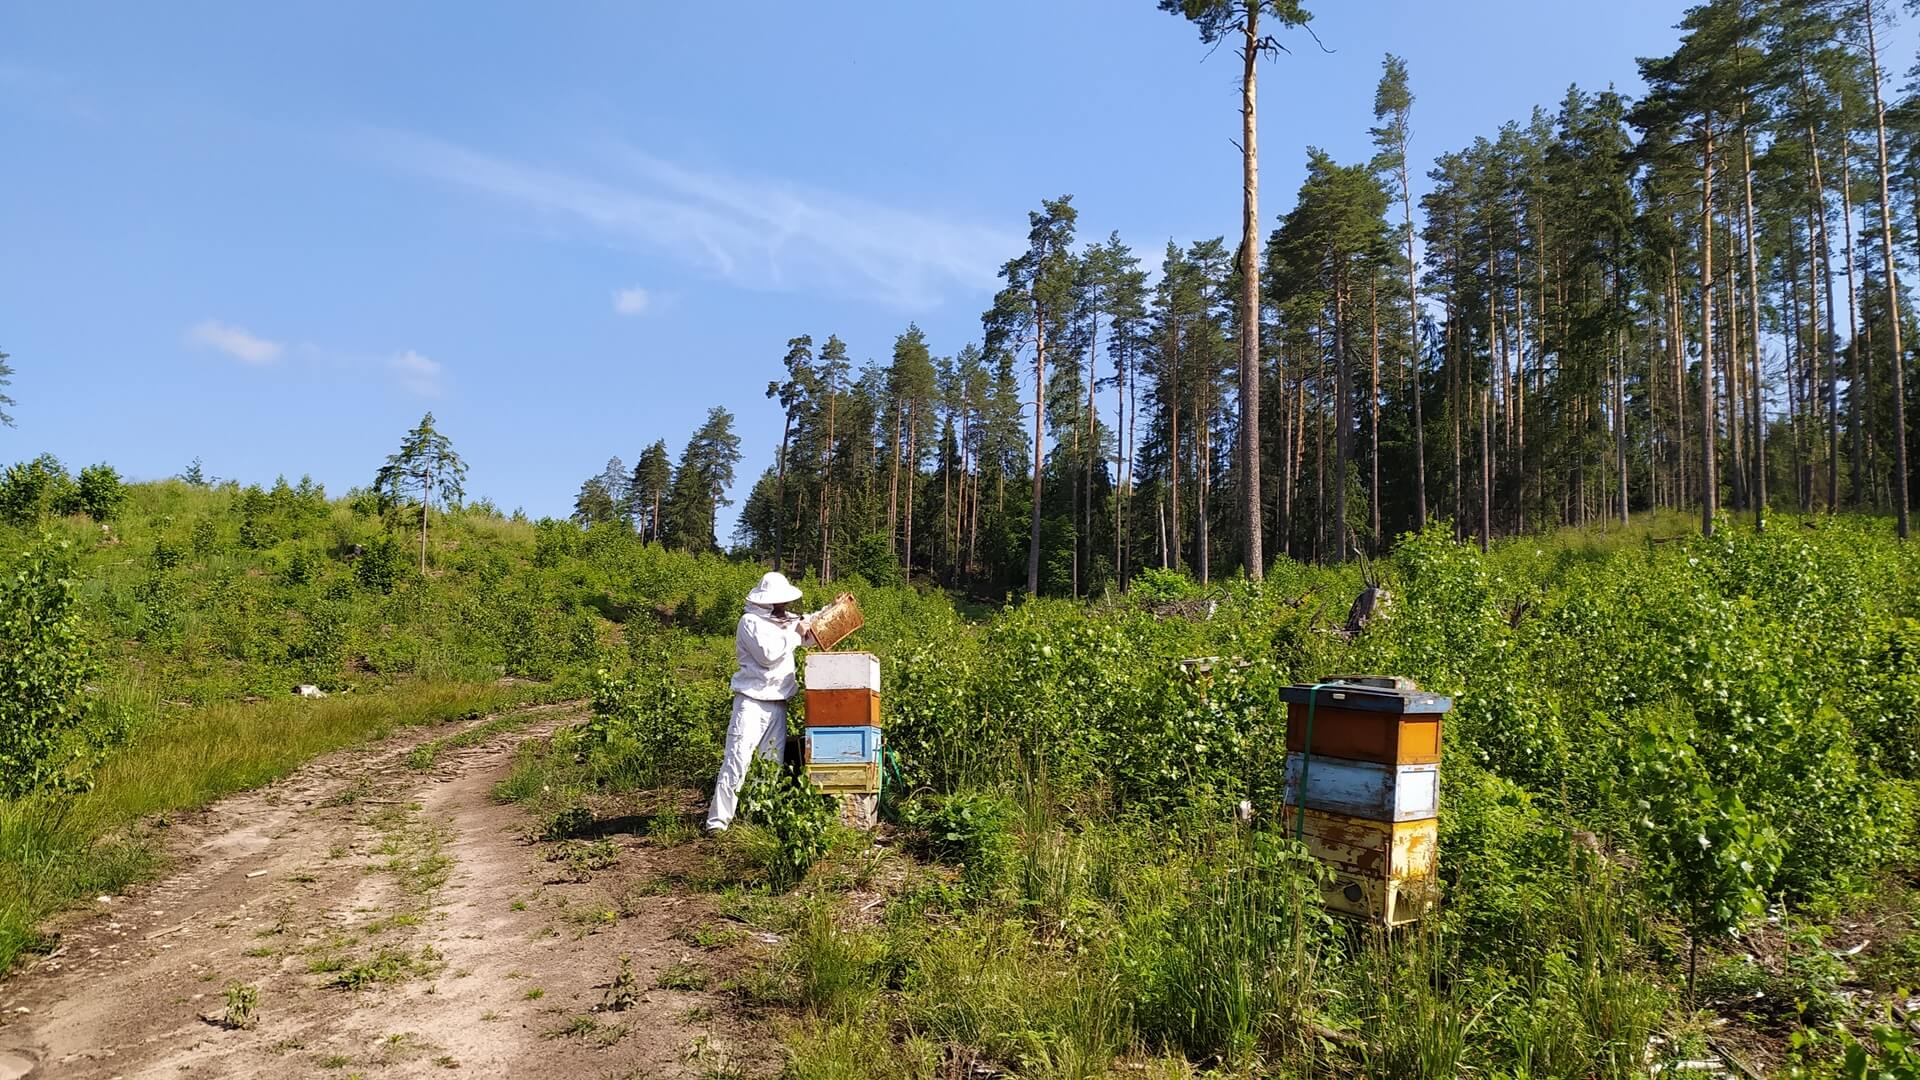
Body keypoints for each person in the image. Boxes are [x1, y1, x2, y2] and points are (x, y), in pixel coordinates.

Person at [705, 571, 819, 834]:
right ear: (767, 601)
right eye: (779, 601)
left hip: (778, 703)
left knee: (771, 764)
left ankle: (757, 818)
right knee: (737, 760)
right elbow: (768, 655)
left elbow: (810, 631)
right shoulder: (749, 622)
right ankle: (717, 824)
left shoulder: (786, 622)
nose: (784, 605)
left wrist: (831, 610)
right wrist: (796, 634)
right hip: (751, 703)